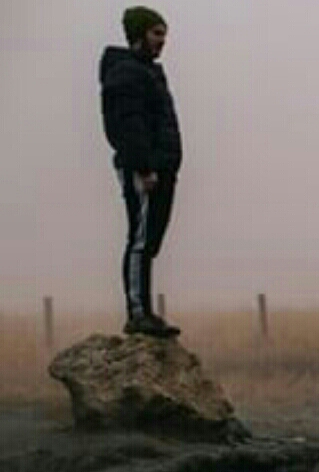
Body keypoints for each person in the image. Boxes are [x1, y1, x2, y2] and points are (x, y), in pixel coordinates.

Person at [100, 7, 183, 338]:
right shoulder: (126, 73)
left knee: (150, 242)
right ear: (138, 35)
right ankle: (138, 314)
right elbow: (129, 126)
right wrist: (145, 168)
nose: (162, 41)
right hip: (145, 169)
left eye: (164, 34)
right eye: (156, 33)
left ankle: (146, 313)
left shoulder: (149, 73)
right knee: (140, 240)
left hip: (162, 167)